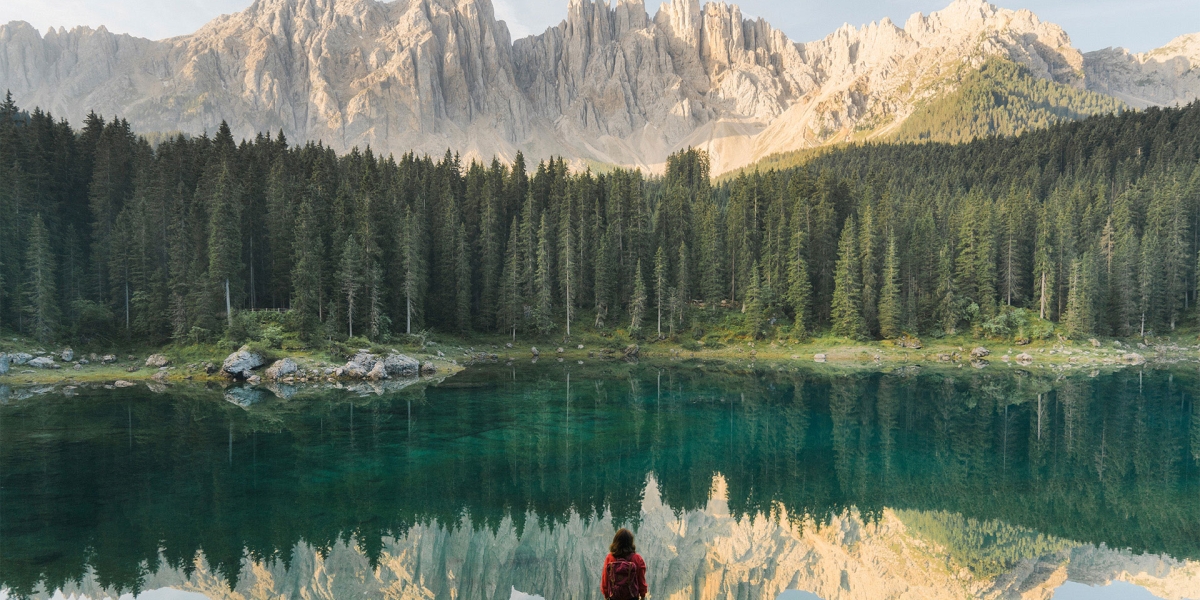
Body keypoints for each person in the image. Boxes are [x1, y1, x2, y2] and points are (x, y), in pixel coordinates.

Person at [601, 528, 648, 600]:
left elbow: (605, 579)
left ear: (616, 541)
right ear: (631, 542)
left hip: (614, 596)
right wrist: (643, 595)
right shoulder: (637, 558)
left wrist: (606, 595)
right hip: (632, 597)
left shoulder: (609, 558)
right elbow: (641, 580)